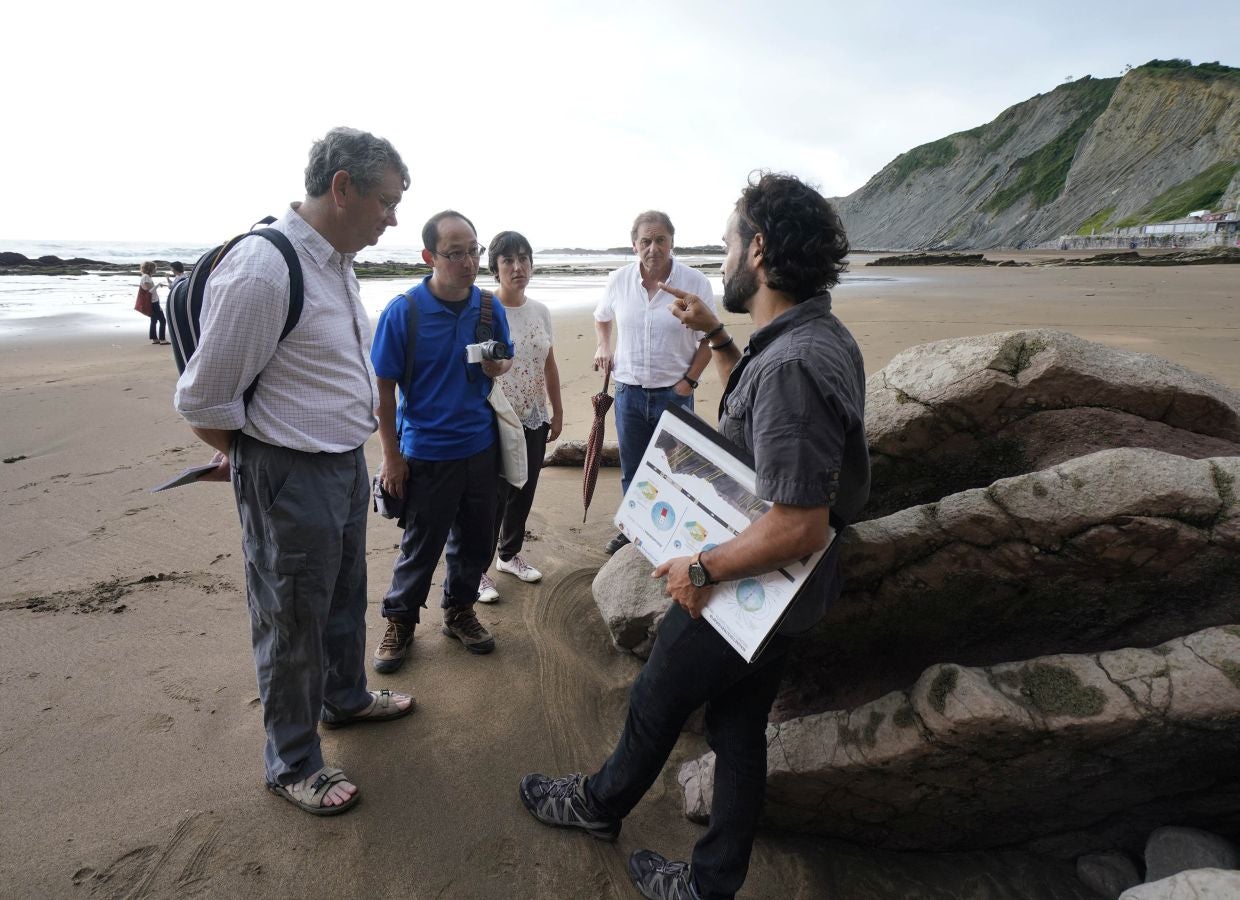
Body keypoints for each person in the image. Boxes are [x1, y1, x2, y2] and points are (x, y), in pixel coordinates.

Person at [519, 173, 871, 900]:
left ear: (761, 249)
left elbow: (799, 522)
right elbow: (765, 410)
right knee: (739, 731)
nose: (724, 257)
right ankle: (711, 885)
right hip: (781, 598)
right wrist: (714, 336)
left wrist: (702, 570)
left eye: (731, 240)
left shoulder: (797, 364)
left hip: (751, 586)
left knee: (656, 697)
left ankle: (597, 805)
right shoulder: (810, 338)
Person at [173, 127, 414, 816]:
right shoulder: (264, 267)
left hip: (340, 462)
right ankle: (292, 762)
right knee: (290, 619)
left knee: (340, 596)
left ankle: (344, 698)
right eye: (386, 202)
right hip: (288, 471)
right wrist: (252, 458)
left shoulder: (334, 258)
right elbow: (201, 397)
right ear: (342, 188)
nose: (392, 218)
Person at [370, 210, 514, 670]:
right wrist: (391, 458)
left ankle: (459, 611)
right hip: (426, 452)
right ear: (429, 255)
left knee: (475, 541)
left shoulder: (488, 309)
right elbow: (384, 392)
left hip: (480, 447)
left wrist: (499, 366)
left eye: (474, 250)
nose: (469, 262)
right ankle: (400, 621)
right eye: (456, 253)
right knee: (421, 545)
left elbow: (504, 360)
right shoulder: (405, 312)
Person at [594, 211, 717, 555]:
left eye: (660, 240)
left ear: (672, 242)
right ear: (634, 245)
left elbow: (711, 336)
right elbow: (601, 317)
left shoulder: (694, 282)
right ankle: (633, 530)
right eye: (646, 241)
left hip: (673, 395)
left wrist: (689, 382)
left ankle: (675, 537)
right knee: (632, 469)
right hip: (628, 392)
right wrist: (604, 345)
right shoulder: (618, 280)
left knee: (677, 472)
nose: (653, 248)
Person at [475, 231, 563, 603]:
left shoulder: (541, 310)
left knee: (523, 490)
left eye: (524, 258)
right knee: (491, 495)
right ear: (495, 267)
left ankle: (508, 555)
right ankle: (478, 570)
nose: (517, 267)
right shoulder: (483, 309)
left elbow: (549, 363)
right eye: (508, 260)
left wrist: (556, 410)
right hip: (495, 417)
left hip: (534, 414)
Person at [139, 260, 168, 344]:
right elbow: (149, 291)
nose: (156, 269)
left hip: (153, 301)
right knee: (162, 320)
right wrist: (158, 285)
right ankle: (162, 339)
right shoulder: (146, 277)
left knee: (154, 320)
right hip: (153, 302)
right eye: (155, 268)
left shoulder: (146, 276)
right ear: (150, 269)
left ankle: (155, 339)